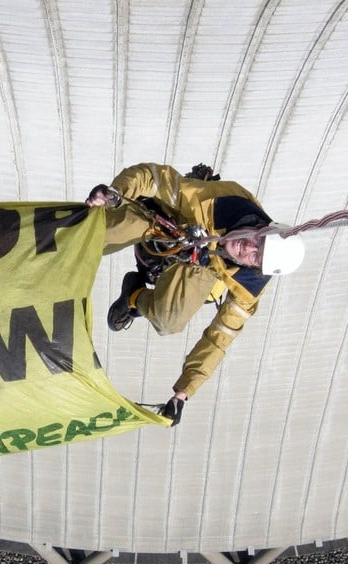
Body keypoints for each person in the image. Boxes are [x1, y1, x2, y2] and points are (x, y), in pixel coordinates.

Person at [86, 162, 305, 426]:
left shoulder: (248, 288)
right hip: (162, 225)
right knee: (94, 235)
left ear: (255, 268)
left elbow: (218, 340)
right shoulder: (222, 202)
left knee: (168, 321)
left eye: (255, 256)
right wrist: (116, 193)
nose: (249, 246)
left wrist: (184, 392)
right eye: (259, 240)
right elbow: (154, 178)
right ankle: (59, 238)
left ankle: (134, 297)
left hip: (195, 268)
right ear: (265, 226)